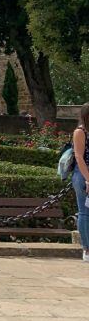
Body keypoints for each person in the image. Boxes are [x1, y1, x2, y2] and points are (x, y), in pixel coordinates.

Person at [72, 103, 89, 262]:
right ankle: (87, 249)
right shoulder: (80, 132)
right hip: (83, 174)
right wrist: (88, 179)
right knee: (85, 212)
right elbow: (79, 157)